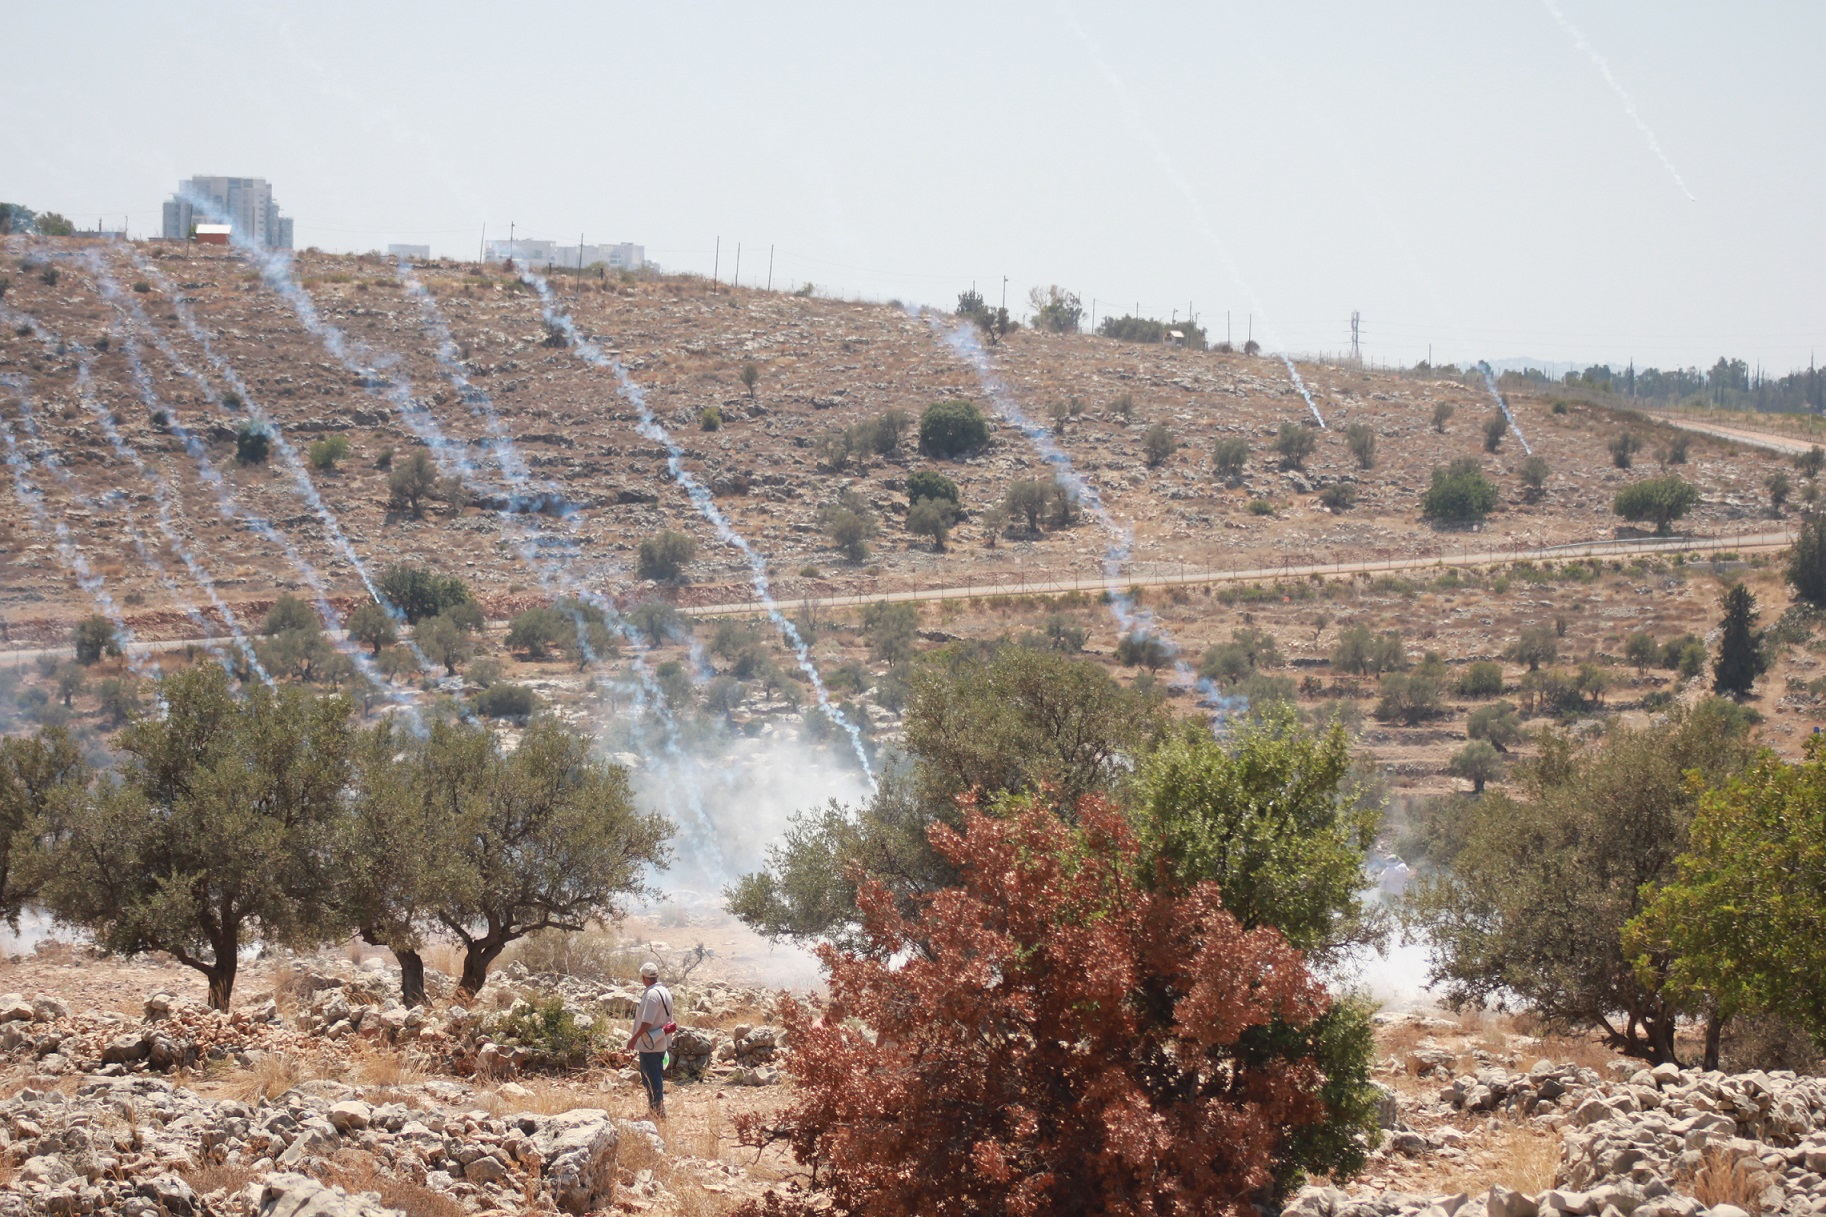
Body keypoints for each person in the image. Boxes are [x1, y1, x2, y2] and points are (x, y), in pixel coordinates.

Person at [626, 960, 674, 1119]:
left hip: (649, 1044)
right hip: (661, 1041)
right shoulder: (664, 991)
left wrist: (634, 1039)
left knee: (651, 1079)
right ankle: (656, 1109)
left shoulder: (652, 994)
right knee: (656, 1076)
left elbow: (647, 1021)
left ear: (644, 978)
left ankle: (657, 1112)